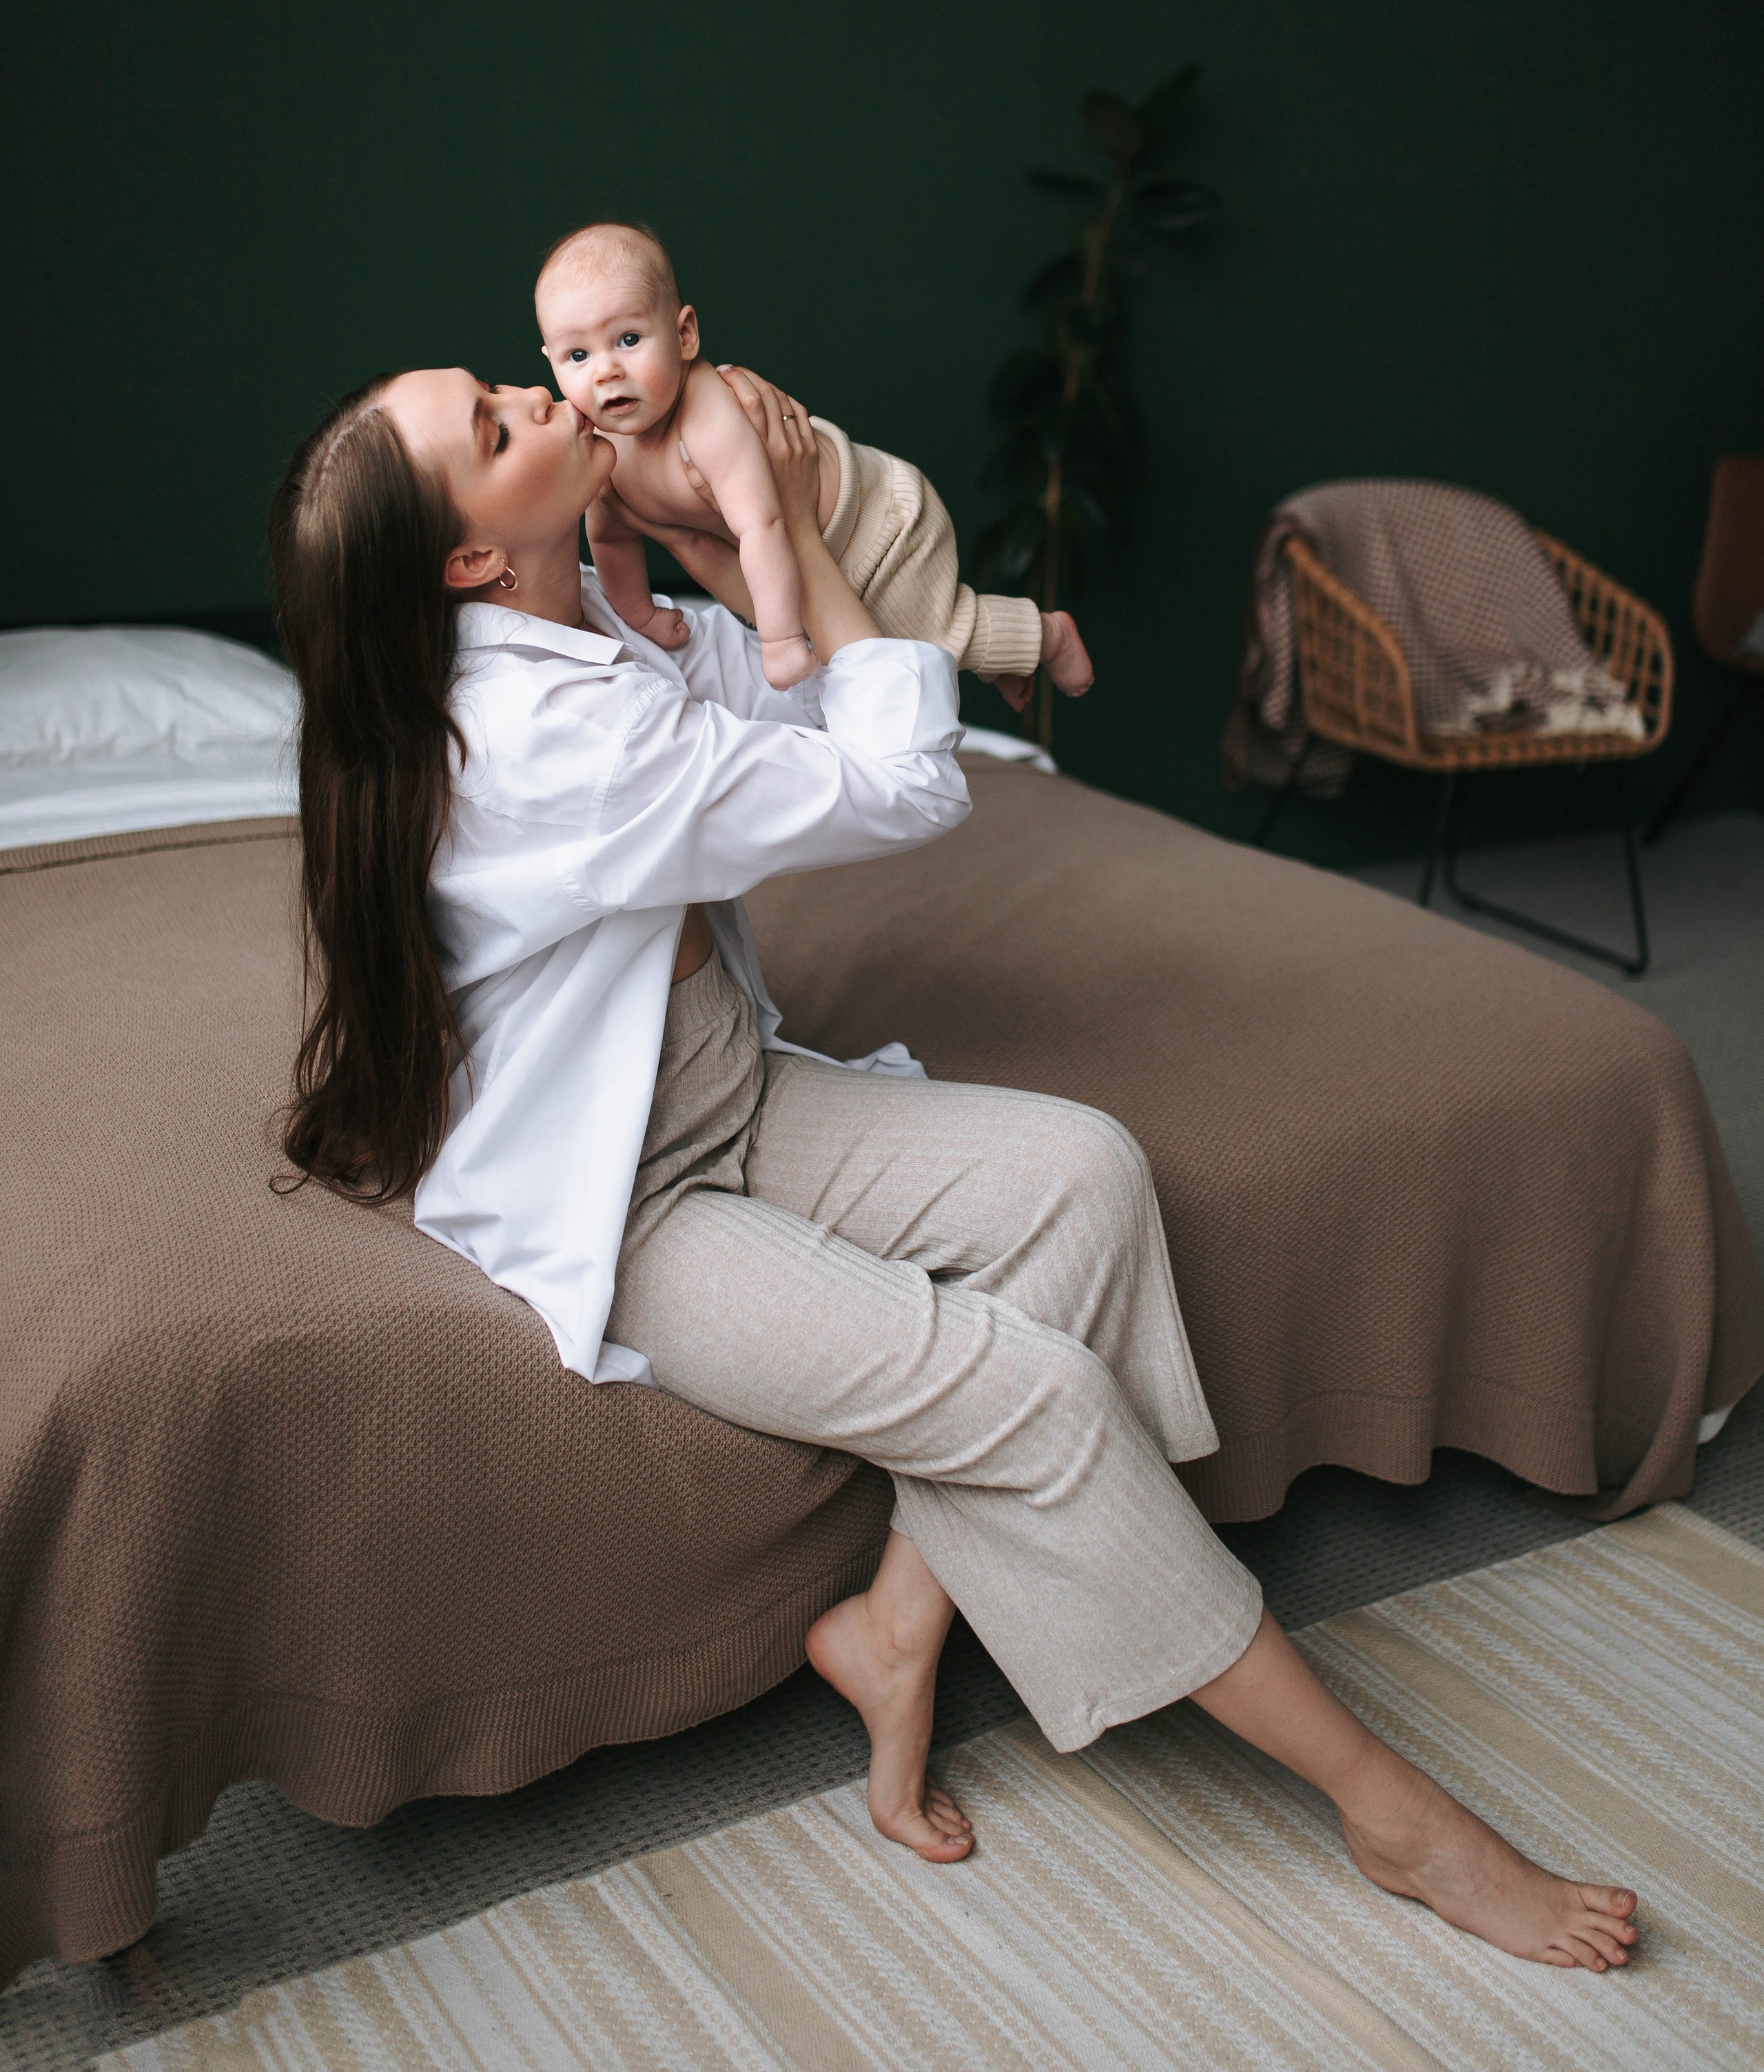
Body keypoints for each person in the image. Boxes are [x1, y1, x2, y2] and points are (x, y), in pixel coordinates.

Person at [267, 360, 1640, 1973]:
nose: (535, 391)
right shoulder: (537, 734)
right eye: (493, 428)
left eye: (499, 385)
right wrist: (792, 530)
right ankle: (1389, 1810)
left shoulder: (588, 625)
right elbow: (903, 779)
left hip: (726, 1091)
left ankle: (892, 1627)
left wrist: (736, 555)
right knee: (1034, 1395)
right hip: (634, 1200)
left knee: (1084, 1174)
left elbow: (796, 695)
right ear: (464, 559)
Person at [533, 218, 1093, 708]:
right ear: (550, 361)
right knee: (892, 648)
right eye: (578, 354)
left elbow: (764, 524)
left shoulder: (705, 415)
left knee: (927, 639)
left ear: (684, 335)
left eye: (629, 339)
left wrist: (779, 642)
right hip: (811, 558)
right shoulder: (599, 448)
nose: (605, 370)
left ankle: (1047, 634)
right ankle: (997, 659)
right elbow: (608, 537)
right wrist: (641, 615)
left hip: (875, 522)